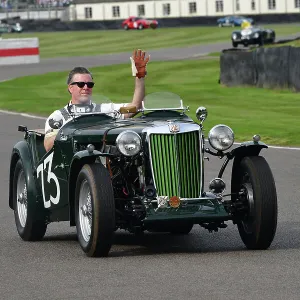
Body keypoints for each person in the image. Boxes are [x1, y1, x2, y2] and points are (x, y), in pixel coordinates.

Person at [44, 49, 150, 152]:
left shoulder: (106, 110)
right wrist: (68, 133)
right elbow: (48, 146)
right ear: (70, 88)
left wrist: (139, 77)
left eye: (90, 84)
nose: (86, 87)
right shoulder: (58, 117)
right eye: (81, 84)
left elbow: (135, 107)